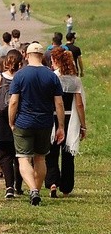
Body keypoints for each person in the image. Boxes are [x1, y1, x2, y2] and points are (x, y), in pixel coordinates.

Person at [9, 43, 65, 206]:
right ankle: (36, 191)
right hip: (45, 122)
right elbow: (59, 103)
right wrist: (61, 126)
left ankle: (33, 189)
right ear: (42, 56)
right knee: (40, 158)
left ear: (26, 55)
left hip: (24, 122)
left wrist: (11, 121)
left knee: (23, 158)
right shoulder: (52, 76)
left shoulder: (20, 75)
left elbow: (13, 102)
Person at [45, 47, 86, 198]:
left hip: (54, 117)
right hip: (70, 117)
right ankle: (67, 187)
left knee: (52, 152)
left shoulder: (51, 78)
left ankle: (52, 182)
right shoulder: (75, 80)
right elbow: (80, 105)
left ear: (55, 61)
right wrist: (83, 125)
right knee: (68, 154)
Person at [0, 50, 25, 198]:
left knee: (4, 156)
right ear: (20, 63)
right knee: (20, 155)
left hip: (1, 120)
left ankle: (9, 186)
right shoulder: (23, 78)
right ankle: (18, 185)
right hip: (20, 119)